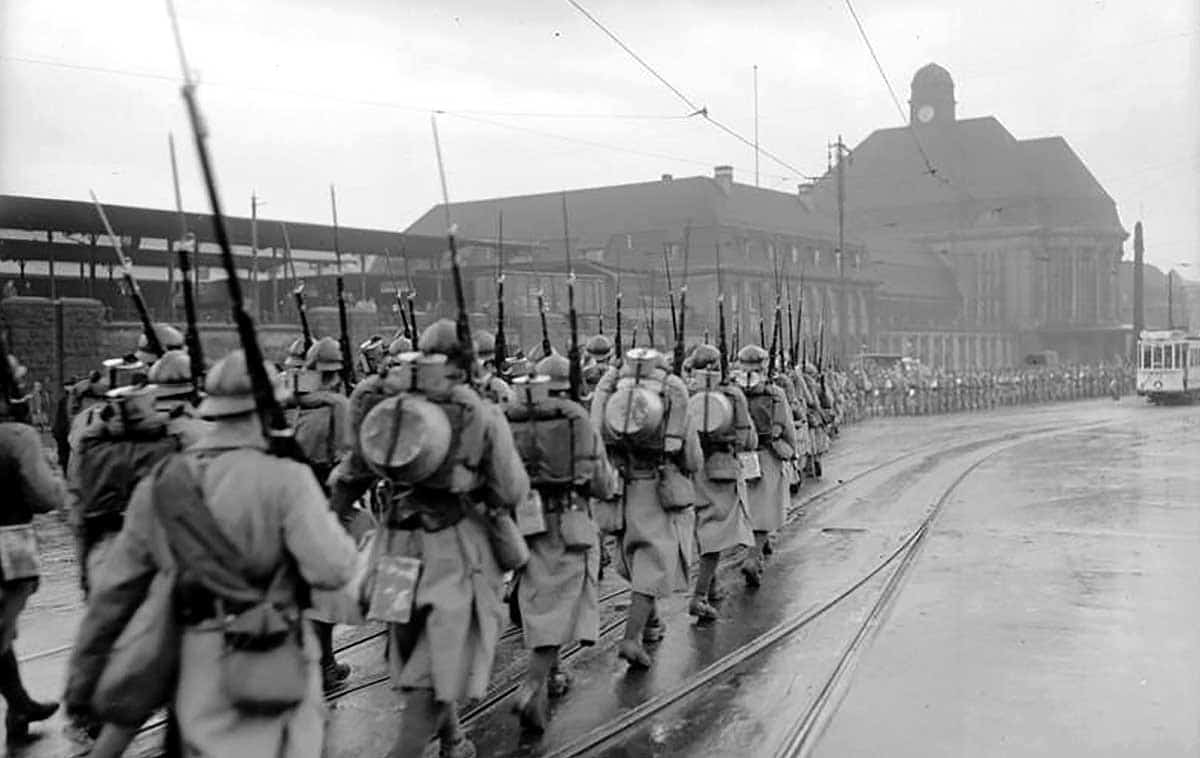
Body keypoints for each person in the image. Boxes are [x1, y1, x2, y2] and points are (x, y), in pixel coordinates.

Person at [65, 350, 357, 758]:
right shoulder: (286, 479)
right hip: (272, 653)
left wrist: (82, 682)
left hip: (195, 660)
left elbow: (114, 595)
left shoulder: (163, 481)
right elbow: (334, 568)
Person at [329, 319, 530, 758]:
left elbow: (350, 475)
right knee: (444, 657)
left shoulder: (384, 403)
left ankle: (453, 737)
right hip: (451, 549)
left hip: (394, 544)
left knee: (407, 639)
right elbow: (509, 490)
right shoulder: (478, 410)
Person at [505, 353, 617, 731]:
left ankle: (552, 674)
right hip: (569, 520)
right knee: (563, 603)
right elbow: (601, 482)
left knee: (537, 595)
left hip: (522, 517)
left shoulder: (511, 416)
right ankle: (533, 683)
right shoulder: (576, 419)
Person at [591, 347, 701, 667]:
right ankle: (630, 638)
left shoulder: (611, 389)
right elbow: (690, 456)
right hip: (657, 487)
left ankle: (650, 622)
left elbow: (595, 433)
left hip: (618, 486)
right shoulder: (673, 390)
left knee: (633, 560)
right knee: (653, 563)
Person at [0, 366, 66, 743]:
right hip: (8, 546)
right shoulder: (17, 436)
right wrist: (56, 482)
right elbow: (43, 496)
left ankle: (19, 702)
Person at [283, 336, 353, 692]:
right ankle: (324, 662)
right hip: (324, 503)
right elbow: (347, 460)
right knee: (325, 593)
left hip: (285, 507)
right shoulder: (337, 406)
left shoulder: (285, 403)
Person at [685, 345, 755, 620]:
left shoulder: (686, 392)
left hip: (690, 469)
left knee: (701, 530)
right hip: (720, 469)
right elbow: (747, 439)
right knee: (716, 533)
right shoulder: (732, 394)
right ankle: (700, 596)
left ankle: (710, 586)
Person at [738, 345, 796, 587]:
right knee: (765, 509)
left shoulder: (731, 391)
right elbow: (787, 424)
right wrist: (790, 449)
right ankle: (753, 558)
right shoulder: (775, 393)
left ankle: (752, 552)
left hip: (739, 455)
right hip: (767, 453)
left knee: (745, 508)